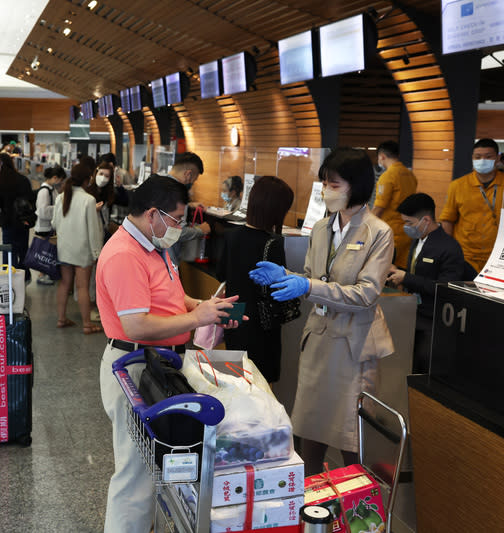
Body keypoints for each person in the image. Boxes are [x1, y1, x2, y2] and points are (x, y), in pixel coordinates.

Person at [96, 175, 243, 533]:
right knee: (134, 477)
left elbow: (170, 300)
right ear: (152, 214)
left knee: (151, 471)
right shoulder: (124, 255)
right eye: (176, 220)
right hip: (134, 366)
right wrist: (196, 318)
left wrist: (205, 308)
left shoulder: (153, 245)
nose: (178, 227)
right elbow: (137, 326)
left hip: (157, 364)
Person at [249, 148, 394, 477]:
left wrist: (307, 287)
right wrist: (290, 278)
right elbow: (316, 279)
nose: (327, 189)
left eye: (334, 183)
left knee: (350, 437)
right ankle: (311, 512)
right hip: (317, 341)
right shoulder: (320, 228)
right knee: (309, 432)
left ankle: (358, 517)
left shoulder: (378, 232)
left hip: (351, 348)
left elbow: (366, 295)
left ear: (356, 185)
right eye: (325, 183)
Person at [218, 176, 293, 383]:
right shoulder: (274, 243)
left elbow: (221, 274)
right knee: (260, 383)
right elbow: (277, 288)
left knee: (235, 377)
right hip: (262, 321)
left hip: (233, 313)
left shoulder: (231, 235)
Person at [387, 193, 465, 374]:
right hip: (411, 313)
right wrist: (396, 271)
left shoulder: (449, 248)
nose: (406, 227)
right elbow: (418, 274)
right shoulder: (418, 240)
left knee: (422, 368)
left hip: (432, 321)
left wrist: (406, 278)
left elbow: (445, 288)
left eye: (409, 223)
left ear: (426, 220)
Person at [440, 138, 504, 273]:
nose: (482, 160)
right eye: (478, 157)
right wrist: (448, 251)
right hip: (465, 256)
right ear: (472, 159)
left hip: (497, 257)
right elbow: (447, 220)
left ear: (497, 158)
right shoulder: (457, 186)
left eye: (488, 157)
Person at [52, 164, 103, 334]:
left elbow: (54, 223)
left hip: (64, 249)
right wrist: (97, 253)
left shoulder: (61, 197)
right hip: (82, 251)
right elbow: (93, 230)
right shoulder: (89, 200)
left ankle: (61, 319)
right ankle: (87, 325)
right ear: (87, 180)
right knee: (82, 287)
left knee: (65, 283)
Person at [371, 141, 418, 269]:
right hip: (408, 233)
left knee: (386, 272)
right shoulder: (410, 175)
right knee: (401, 271)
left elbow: (379, 208)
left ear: (382, 156)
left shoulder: (387, 176)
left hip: (391, 233)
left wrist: (364, 224)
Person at [166, 151, 211, 265]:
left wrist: (189, 205)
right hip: (168, 259)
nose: (192, 183)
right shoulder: (178, 194)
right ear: (188, 174)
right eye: (194, 180)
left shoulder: (160, 183)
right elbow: (175, 233)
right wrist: (200, 230)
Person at [0, 153, 34, 283]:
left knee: (8, 252)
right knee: (23, 250)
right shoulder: (23, 179)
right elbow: (31, 199)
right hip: (23, 221)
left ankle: (10, 281)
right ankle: (24, 277)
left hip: (8, 222)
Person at [34, 166, 65, 285]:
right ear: (55, 178)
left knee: (48, 253)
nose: (61, 183)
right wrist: (58, 209)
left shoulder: (52, 190)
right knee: (43, 254)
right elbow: (42, 211)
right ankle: (41, 275)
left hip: (49, 227)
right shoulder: (44, 191)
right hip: (43, 227)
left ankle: (46, 273)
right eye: (60, 180)